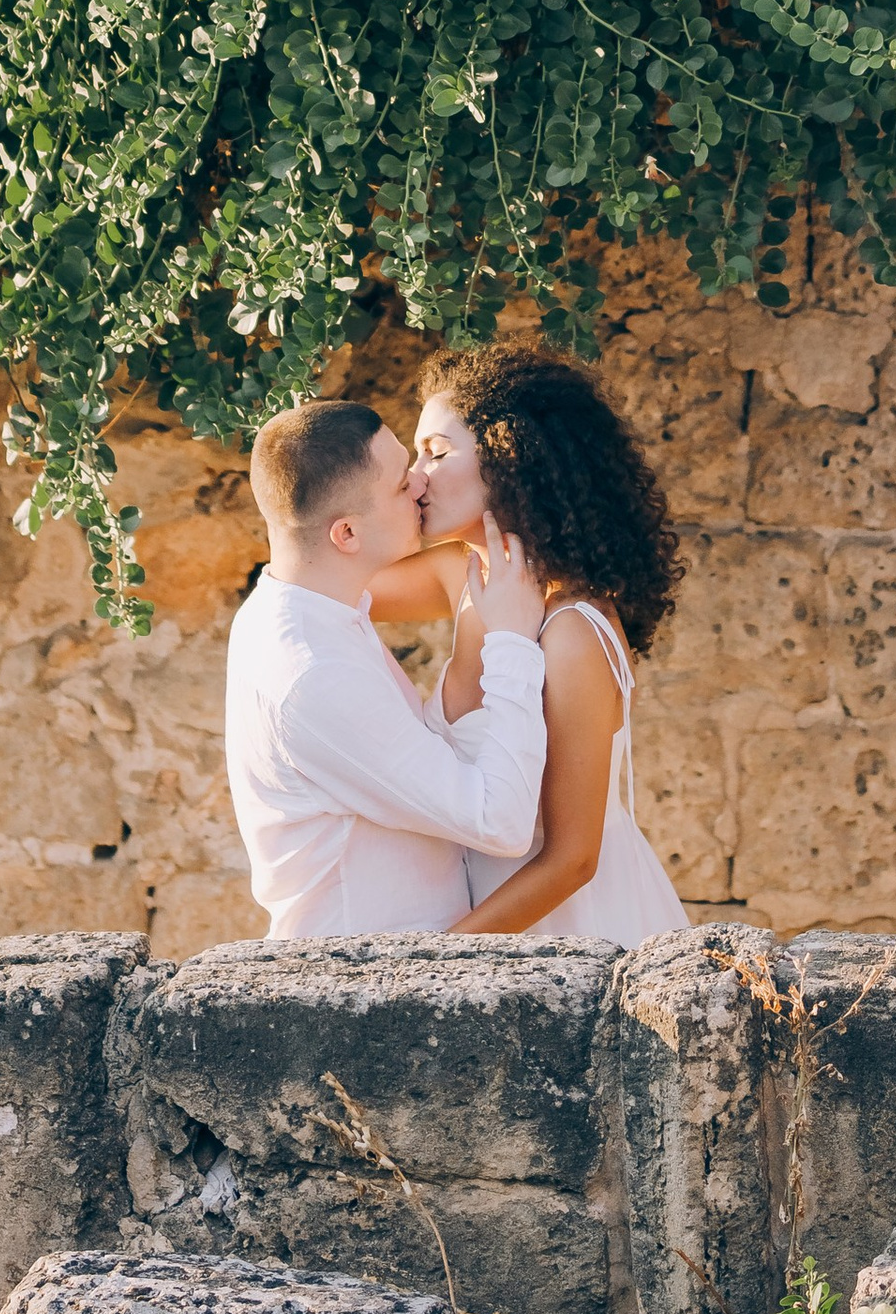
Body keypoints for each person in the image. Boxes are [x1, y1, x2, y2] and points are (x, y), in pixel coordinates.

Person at [369, 348, 688, 944]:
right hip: (484, 927)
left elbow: (573, 859)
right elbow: (320, 583)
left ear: (510, 454)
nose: (416, 476)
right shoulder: (457, 576)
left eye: (435, 453)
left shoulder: (571, 632)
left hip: (575, 932)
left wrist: (433, 961)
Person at [222, 397, 551, 940]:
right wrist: (513, 639)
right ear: (346, 534)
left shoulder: (307, 606)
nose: (421, 483)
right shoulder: (312, 673)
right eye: (401, 484)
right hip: (360, 995)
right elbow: (500, 823)